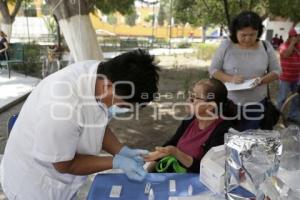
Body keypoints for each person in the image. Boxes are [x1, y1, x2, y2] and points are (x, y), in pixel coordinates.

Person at [0, 49, 160, 199]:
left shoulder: (100, 75)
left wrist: (121, 151)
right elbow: (64, 165)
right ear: (108, 86)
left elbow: (96, 123)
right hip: (34, 185)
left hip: (64, 178)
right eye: (124, 105)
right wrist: (116, 162)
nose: (123, 110)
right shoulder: (62, 108)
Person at [144, 79, 236, 173]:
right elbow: (171, 144)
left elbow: (206, 169)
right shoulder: (190, 120)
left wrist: (176, 153)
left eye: (193, 98)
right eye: (190, 95)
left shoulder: (223, 131)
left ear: (210, 106)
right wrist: (147, 170)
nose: (188, 100)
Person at [209, 11, 281, 131]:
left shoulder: (265, 46)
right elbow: (213, 70)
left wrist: (262, 80)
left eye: (252, 35)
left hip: (256, 104)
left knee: (249, 139)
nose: (247, 39)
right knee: (227, 136)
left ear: (259, 31)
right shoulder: (226, 45)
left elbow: (277, 71)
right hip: (229, 103)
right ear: (235, 32)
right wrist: (230, 78)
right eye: (243, 35)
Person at [276, 27, 300, 123]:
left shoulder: (299, 47)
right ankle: (276, 115)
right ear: (291, 37)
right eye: (297, 36)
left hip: (296, 78)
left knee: (296, 98)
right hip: (285, 78)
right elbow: (285, 54)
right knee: (282, 98)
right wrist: (292, 44)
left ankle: (293, 116)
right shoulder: (283, 46)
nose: (299, 38)